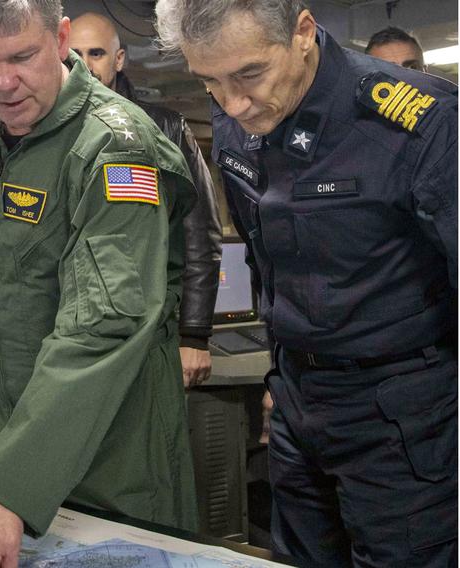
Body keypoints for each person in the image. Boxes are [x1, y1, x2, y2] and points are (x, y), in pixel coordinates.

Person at [0, 0, 200, 565]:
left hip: (117, 450)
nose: (3, 83)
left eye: (22, 56)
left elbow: (104, 324)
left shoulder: (115, 146)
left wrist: (10, 486)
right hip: (20, 431)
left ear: (60, 39)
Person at [155, 1, 457, 565]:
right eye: (210, 82)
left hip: (406, 415)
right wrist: (282, 375)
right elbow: (265, 256)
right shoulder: (234, 112)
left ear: (301, 30)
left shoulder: (418, 123)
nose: (233, 103)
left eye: (249, 74)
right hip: (296, 403)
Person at [70, 12, 222, 388]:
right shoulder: (46, 133)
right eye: (75, 54)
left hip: (149, 330)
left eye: (96, 53)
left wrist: (195, 333)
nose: (85, 66)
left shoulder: (164, 130)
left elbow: (200, 235)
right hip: (68, 329)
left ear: (118, 60)